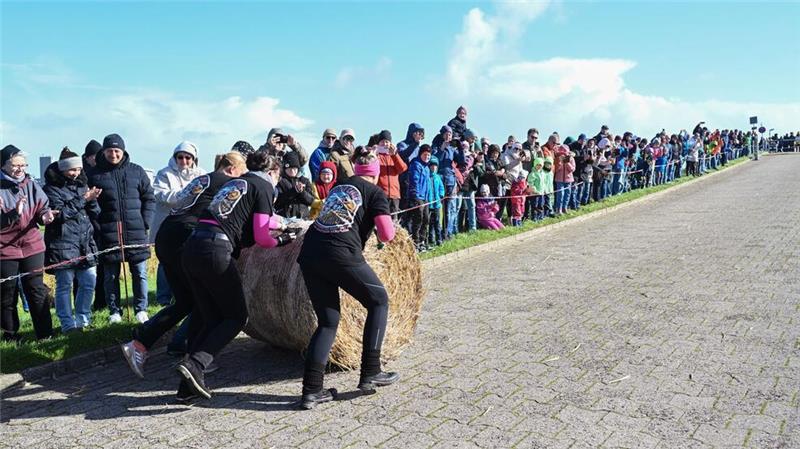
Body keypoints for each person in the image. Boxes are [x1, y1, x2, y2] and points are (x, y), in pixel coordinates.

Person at [176, 152, 297, 400]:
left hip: (192, 248)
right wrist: (283, 240)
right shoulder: (264, 185)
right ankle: (196, 364)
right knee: (236, 317)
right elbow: (262, 237)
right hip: (216, 251)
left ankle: (185, 390)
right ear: (273, 172)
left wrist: (281, 224)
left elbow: (254, 218)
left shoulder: (236, 183)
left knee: (212, 319)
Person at [120, 152, 246, 387]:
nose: (243, 179)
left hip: (167, 234)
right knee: (202, 300)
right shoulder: (228, 183)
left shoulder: (202, 179)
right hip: (186, 237)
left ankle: (146, 344)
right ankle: (193, 358)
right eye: (242, 172)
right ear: (231, 169)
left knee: (187, 301)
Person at [296, 148, 398, 410]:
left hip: (310, 253)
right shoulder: (375, 193)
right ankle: (371, 371)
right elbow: (387, 235)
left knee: (328, 322)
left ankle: (312, 391)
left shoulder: (340, 187)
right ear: (375, 174)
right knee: (379, 301)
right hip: (341, 254)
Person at [88, 134, 155, 324]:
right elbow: (90, 203)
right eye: (110, 150)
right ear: (104, 151)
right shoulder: (94, 174)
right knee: (110, 276)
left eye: (117, 151)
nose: (113, 154)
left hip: (136, 230)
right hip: (108, 231)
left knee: (139, 273)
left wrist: (145, 222)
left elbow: (149, 197)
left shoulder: (137, 171)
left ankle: (141, 309)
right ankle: (114, 311)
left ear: (123, 151)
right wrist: (98, 223)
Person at [42, 148, 102, 334]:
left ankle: (83, 320)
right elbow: (61, 215)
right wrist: (84, 199)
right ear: (62, 169)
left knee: (88, 282)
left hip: (86, 241)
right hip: (62, 242)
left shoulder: (83, 185)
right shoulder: (50, 189)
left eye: (78, 169)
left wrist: (92, 200)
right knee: (64, 286)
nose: (75, 173)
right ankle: (67, 325)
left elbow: (95, 212)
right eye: (71, 170)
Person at [1, 145, 56, 341]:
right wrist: (13, 213)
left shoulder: (31, 184)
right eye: (16, 165)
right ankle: (11, 334)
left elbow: (42, 207)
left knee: (36, 289)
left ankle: (45, 334)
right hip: (5, 248)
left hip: (32, 245)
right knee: (7, 293)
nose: (20, 169)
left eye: (23, 165)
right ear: (4, 165)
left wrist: (46, 216)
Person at [151, 141, 206, 306]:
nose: (184, 161)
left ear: (193, 159)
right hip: (168, 224)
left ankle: (187, 295)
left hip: (191, 223)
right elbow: (160, 195)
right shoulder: (165, 173)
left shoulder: (201, 174)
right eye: (180, 157)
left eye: (188, 157)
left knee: (189, 260)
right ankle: (163, 298)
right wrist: (184, 195)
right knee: (166, 262)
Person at [374, 130, 407, 216]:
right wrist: (374, 154)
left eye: (387, 142)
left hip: (394, 195)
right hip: (381, 195)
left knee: (393, 222)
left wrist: (395, 155)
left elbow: (402, 168)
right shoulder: (376, 156)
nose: (385, 144)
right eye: (382, 142)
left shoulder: (394, 156)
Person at [406, 145, 431, 251]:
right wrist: (415, 196)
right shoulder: (416, 164)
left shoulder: (426, 167)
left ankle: (422, 240)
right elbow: (414, 180)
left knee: (426, 219)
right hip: (417, 196)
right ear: (420, 154)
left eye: (429, 155)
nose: (427, 157)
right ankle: (415, 242)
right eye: (425, 154)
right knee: (418, 219)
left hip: (425, 197)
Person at [275, 152, 314, 219]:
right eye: (289, 169)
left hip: (303, 219)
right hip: (285, 219)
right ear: (285, 169)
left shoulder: (305, 181)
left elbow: (311, 201)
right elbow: (278, 201)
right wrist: (294, 191)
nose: (292, 171)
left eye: (294, 169)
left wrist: (302, 192)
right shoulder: (280, 181)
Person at [427, 156, 445, 247]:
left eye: (435, 166)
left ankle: (439, 239)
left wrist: (441, 195)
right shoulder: (427, 177)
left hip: (437, 204)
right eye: (432, 166)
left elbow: (441, 188)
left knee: (438, 222)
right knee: (429, 223)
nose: (433, 168)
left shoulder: (438, 177)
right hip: (429, 204)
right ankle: (431, 239)